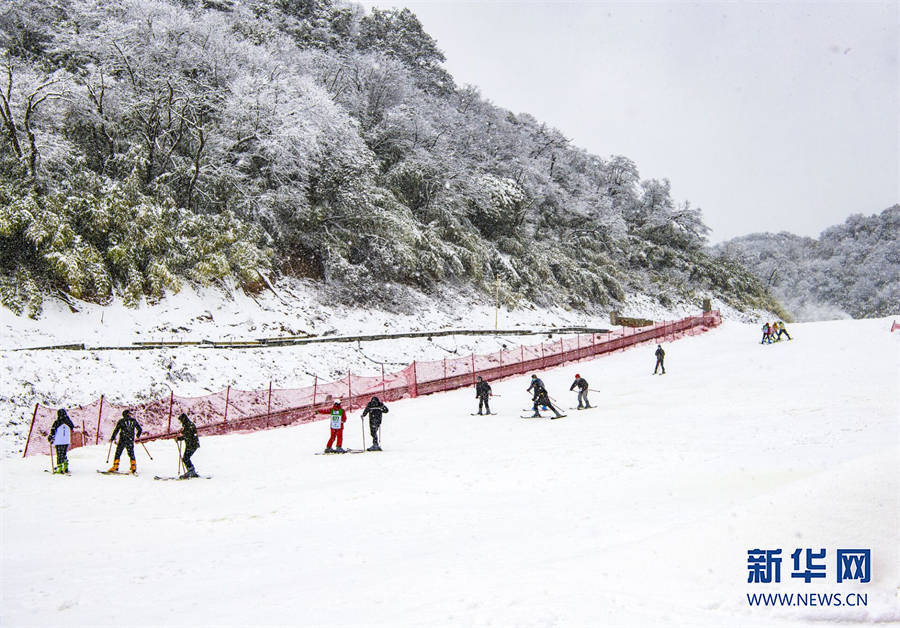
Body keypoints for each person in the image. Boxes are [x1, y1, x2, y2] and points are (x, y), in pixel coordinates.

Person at [108, 409, 143, 473]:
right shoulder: (133, 421)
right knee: (131, 453)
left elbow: (116, 430)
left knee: (118, 452)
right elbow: (140, 429)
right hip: (130, 439)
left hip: (122, 439)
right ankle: (133, 466)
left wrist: (113, 438)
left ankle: (115, 466)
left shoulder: (121, 421)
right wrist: (138, 435)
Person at [48, 408, 75, 474]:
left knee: (59, 454)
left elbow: (53, 431)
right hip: (66, 440)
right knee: (64, 453)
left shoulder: (57, 422)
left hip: (58, 440)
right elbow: (72, 428)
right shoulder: (69, 422)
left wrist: (50, 437)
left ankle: (60, 468)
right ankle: (65, 466)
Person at [175, 413, 200, 478]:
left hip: (192, 444)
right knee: (186, 458)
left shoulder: (188, 425)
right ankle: (191, 471)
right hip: (191, 444)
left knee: (185, 458)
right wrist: (180, 437)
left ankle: (191, 471)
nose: (180, 422)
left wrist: (180, 437)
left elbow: (188, 435)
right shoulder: (187, 424)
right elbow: (187, 435)